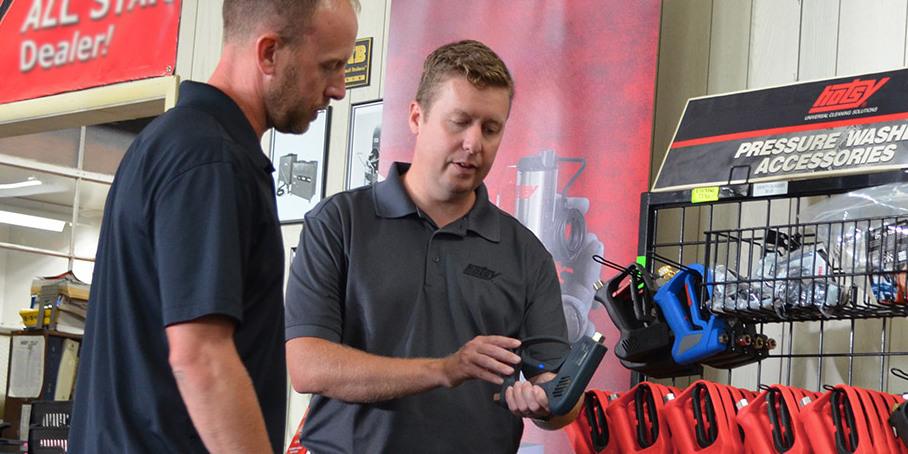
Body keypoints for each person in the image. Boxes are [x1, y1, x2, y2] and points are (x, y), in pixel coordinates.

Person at [68, 0, 358, 452]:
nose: (339, 88)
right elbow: (201, 356)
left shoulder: (171, 142)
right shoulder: (211, 160)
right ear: (268, 54)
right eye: (330, 65)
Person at [285, 39, 582, 453]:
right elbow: (308, 367)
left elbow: (556, 387)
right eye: (459, 122)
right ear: (416, 116)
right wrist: (445, 369)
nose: (474, 143)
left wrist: (549, 401)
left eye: (491, 128)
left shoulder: (527, 254)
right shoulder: (338, 223)